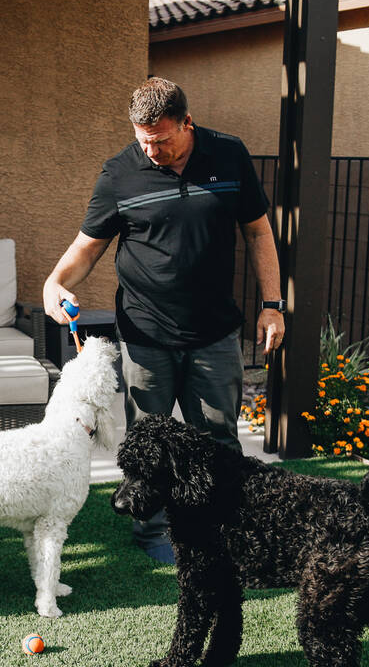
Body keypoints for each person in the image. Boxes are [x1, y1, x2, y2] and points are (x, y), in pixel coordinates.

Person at [42, 77, 285, 562]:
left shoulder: (229, 155)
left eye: (163, 140)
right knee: (147, 438)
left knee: (218, 436)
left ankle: (223, 528)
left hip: (214, 332)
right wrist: (55, 282)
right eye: (143, 140)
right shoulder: (119, 174)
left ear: (187, 122)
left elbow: (259, 233)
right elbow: (87, 246)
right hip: (145, 332)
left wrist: (272, 304)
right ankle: (153, 532)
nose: (153, 151)